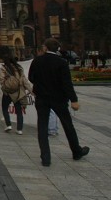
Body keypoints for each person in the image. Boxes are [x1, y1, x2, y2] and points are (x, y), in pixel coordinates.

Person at [29, 38, 90, 167]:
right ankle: (76, 151)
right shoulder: (61, 62)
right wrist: (74, 100)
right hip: (59, 98)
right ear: (57, 48)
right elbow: (67, 83)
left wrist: (40, 86)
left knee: (42, 127)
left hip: (42, 98)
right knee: (68, 125)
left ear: (45, 47)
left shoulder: (37, 60)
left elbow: (31, 77)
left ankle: (45, 157)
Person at [0, 46, 32, 135]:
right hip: (18, 92)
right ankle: (19, 129)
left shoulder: (3, 68)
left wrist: (4, 89)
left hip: (8, 92)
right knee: (19, 110)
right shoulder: (18, 67)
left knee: (4, 108)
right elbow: (24, 80)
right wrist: (30, 90)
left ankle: (8, 125)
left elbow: (1, 80)